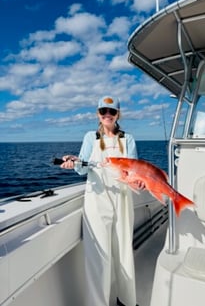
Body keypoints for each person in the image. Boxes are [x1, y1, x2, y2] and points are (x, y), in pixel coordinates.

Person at [61, 95, 144, 306]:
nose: (107, 115)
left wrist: (139, 182)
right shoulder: (91, 137)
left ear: (118, 114)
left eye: (112, 111)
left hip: (122, 199)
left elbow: (133, 171)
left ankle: (126, 301)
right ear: (98, 114)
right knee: (99, 257)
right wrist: (73, 162)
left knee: (125, 253)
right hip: (97, 201)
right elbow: (82, 168)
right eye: (103, 111)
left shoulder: (129, 139)